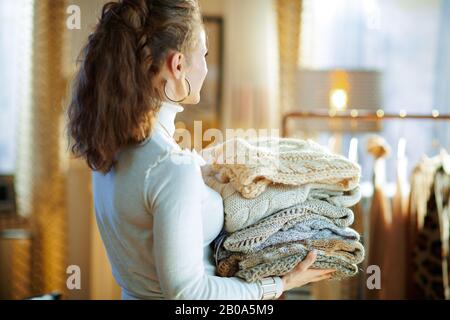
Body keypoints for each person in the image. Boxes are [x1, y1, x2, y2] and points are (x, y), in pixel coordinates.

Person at [66, 0, 334, 300]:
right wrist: (278, 285)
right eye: (203, 54)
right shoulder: (168, 166)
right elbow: (188, 293)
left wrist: (202, 163)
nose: (206, 66)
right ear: (178, 65)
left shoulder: (109, 149)